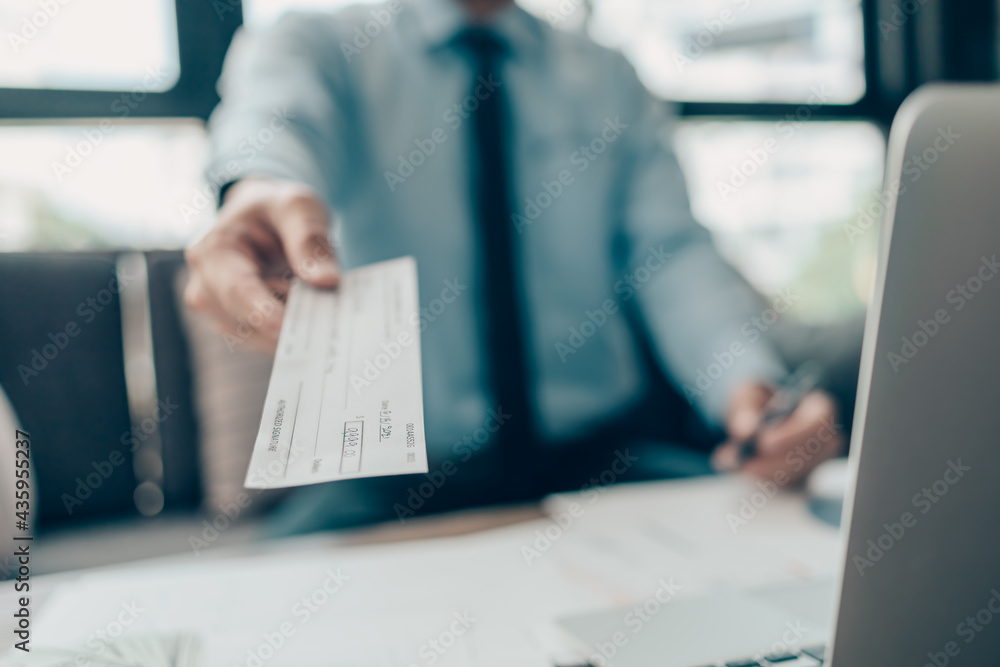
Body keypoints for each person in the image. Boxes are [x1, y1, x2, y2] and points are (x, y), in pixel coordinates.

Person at [184, 0, 845, 533]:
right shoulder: (317, 46)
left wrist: (748, 387)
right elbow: (272, 130)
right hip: (390, 482)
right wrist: (255, 189)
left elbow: (668, 252)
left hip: (600, 460)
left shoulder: (607, 76)